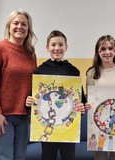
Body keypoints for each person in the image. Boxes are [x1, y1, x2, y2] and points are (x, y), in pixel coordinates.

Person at [26, 30, 89, 160]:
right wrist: (29, 101)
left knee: (68, 156)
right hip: (47, 127)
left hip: (68, 128)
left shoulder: (73, 71)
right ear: (47, 47)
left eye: (60, 45)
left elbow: (80, 100)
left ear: (66, 47)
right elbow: (34, 98)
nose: (57, 48)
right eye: (53, 45)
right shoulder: (40, 71)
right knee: (48, 156)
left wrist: (81, 108)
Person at [0, 9, 37, 160]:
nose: (19, 27)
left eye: (24, 24)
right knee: (4, 157)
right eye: (16, 23)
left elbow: (33, 83)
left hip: (23, 117)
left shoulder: (30, 53)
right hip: (2, 117)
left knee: (20, 157)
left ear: (28, 29)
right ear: (9, 26)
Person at [86, 35, 115, 160]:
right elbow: (89, 98)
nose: (107, 52)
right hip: (98, 122)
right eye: (103, 49)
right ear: (98, 52)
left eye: (110, 48)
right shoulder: (91, 73)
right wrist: (88, 105)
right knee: (99, 156)